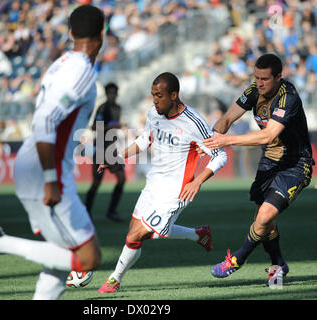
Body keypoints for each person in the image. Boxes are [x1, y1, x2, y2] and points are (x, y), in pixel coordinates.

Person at [0, 5, 105, 300]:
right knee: (88, 259)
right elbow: (45, 119)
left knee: (60, 254)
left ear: (71, 33)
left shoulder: (62, 62)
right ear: (102, 35)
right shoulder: (81, 70)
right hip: (45, 170)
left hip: (34, 163)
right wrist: (51, 177)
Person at [98, 72, 227, 293]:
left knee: (136, 234)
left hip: (176, 191)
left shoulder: (193, 122)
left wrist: (197, 182)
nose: (155, 100)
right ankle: (198, 234)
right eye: (153, 95)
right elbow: (145, 139)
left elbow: (220, 155)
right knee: (139, 232)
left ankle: (113, 280)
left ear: (174, 95)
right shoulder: (154, 113)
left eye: (159, 95)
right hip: (153, 184)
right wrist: (118, 157)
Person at [203, 53, 314, 286]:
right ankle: (279, 266)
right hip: (269, 163)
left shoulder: (288, 97)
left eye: (265, 79)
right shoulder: (254, 90)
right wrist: (212, 138)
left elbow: (268, 134)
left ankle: (236, 260)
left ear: (278, 78)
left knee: (264, 217)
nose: (259, 83)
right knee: (264, 222)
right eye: (256, 77)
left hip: (295, 165)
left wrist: (227, 141)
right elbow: (227, 119)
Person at [85, 82, 125, 222]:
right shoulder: (102, 108)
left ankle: (111, 211)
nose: (112, 95)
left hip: (111, 150)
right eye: (110, 93)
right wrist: (110, 126)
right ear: (107, 94)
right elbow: (94, 127)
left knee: (122, 178)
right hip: (101, 149)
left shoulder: (118, 108)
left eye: (114, 93)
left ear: (117, 94)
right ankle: (86, 212)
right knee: (96, 182)